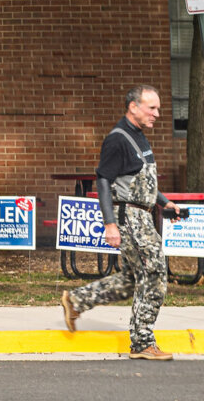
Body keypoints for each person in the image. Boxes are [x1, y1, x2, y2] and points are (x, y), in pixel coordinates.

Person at [61, 84, 186, 361]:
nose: (157, 114)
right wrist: (109, 224)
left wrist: (165, 202)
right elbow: (103, 180)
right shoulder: (117, 139)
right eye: (151, 108)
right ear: (133, 107)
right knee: (154, 274)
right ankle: (142, 342)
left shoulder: (139, 136)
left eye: (158, 109)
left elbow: (138, 179)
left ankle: (77, 300)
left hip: (142, 214)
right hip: (129, 217)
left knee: (134, 278)